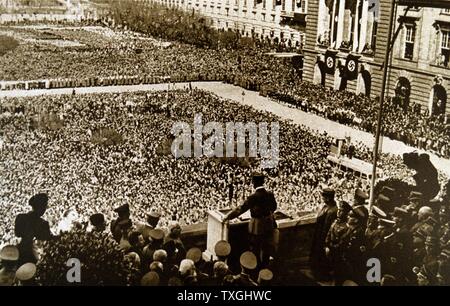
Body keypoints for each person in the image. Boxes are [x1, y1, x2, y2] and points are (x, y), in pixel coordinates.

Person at [223, 172, 277, 268]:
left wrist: (227, 216)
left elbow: (240, 209)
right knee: (266, 249)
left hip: (258, 226)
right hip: (269, 224)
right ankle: (264, 268)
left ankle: (255, 268)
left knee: (255, 247)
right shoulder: (270, 194)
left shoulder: (253, 197)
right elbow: (274, 207)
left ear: (254, 183)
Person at [15, 193, 53, 265]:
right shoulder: (43, 224)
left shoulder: (21, 217)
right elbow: (47, 239)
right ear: (41, 207)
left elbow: (17, 234)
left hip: (20, 250)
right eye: (44, 206)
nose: (44, 209)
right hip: (33, 255)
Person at [310, 187, 337, 281]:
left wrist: (323, 242)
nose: (322, 198)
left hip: (323, 238)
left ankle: (322, 276)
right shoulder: (327, 207)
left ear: (328, 198)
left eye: (323, 197)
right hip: (319, 236)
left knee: (322, 259)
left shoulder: (332, 211)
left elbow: (326, 228)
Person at [325, 201, 351, 284]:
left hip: (338, 254)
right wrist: (327, 245)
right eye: (339, 210)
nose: (339, 212)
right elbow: (329, 234)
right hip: (331, 251)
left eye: (342, 210)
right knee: (333, 273)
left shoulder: (346, 226)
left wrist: (331, 247)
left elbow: (342, 242)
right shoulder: (335, 221)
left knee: (339, 275)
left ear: (346, 213)